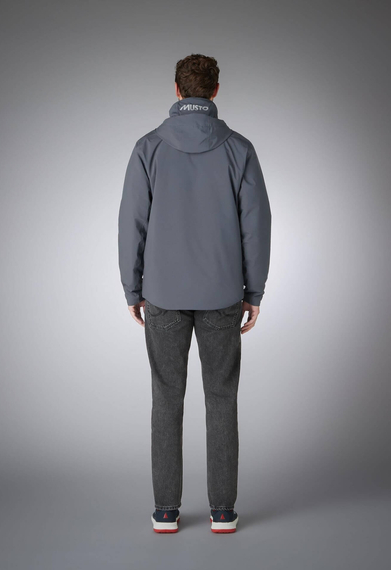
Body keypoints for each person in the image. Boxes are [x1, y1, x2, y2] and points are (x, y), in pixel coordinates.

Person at [118, 53, 272, 534]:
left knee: (166, 398)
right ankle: (222, 513)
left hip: (162, 293)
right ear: (215, 91)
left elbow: (131, 224)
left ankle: (166, 512)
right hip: (223, 293)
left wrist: (132, 287)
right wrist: (254, 291)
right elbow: (257, 226)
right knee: (222, 398)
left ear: (177, 90)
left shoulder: (148, 148)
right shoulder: (239, 149)